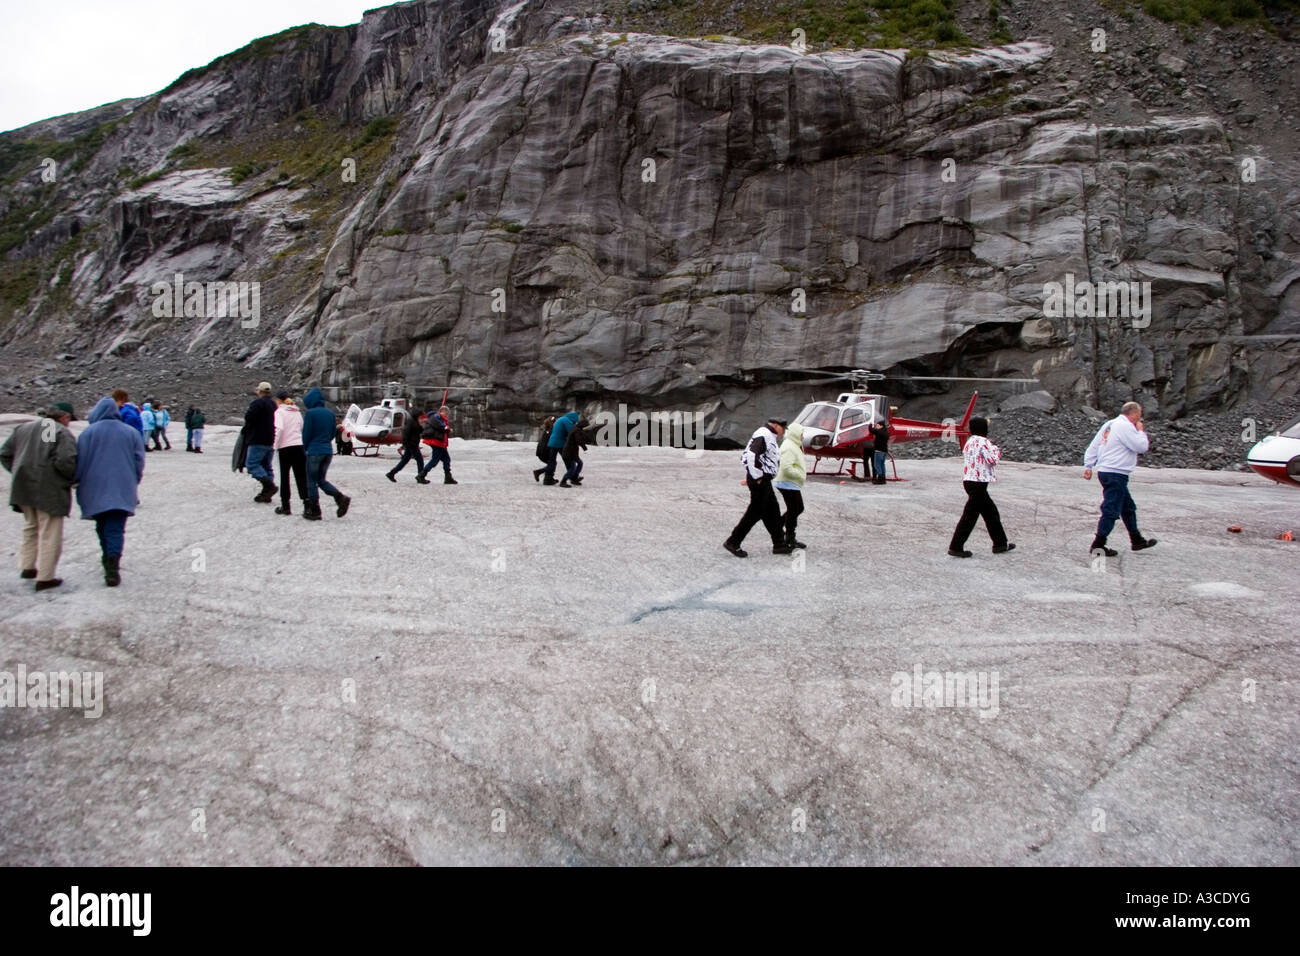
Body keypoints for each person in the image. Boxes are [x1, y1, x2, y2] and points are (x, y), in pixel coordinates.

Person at [1, 402, 78, 591]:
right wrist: (69, 478)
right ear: (64, 417)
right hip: (47, 489)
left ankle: (27, 567)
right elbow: (64, 460)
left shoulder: (24, 428)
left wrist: (18, 471)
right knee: (49, 531)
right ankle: (45, 577)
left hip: (23, 486)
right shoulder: (54, 430)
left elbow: (5, 454)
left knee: (30, 526)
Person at [74, 396, 146, 586]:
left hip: (93, 487)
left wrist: (76, 481)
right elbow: (139, 460)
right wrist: (134, 480)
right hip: (122, 486)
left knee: (102, 526)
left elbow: (79, 462)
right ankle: (112, 564)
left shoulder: (87, 433)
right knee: (116, 528)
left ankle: (107, 556)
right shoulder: (130, 432)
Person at [1083, 401, 1157, 556]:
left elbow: (1095, 444)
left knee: (1127, 507)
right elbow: (1141, 446)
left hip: (1108, 471)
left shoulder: (1110, 424)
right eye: (1140, 413)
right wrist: (1140, 431)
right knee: (1111, 509)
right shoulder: (1126, 426)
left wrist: (1088, 465)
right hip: (1115, 472)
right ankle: (1098, 545)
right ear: (1134, 413)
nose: (1140, 417)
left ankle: (1136, 540)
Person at [724, 418, 793, 557]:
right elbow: (750, 455)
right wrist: (756, 476)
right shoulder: (764, 434)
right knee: (755, 512)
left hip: (763, 479)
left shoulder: (768, 435)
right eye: (783, 428)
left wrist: (754, 475)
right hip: (760, 480)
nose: (784, 431)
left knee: (772, 510)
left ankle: (779, 544)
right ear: (775, 425)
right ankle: (733, 541)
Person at [948, 417, 1014, 557]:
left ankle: (1000, 543)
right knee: (970, 516)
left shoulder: (969, 442)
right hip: (979, 483)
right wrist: (996, 449)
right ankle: (956, 547)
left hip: (969, 481)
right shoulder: (984, 442)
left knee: (990, 512)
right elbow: (992, 460)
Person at [301, 388, 351, 520]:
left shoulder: (310, 414)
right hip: (327, 451)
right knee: (321, 480)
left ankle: (315, 510)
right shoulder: (330, 413)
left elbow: (306, 434)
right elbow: (332, 433)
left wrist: (305, 448)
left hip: (314, 451)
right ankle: (340, 498)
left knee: (311, 481)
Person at [272, 391, 308, 515]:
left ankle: (285, 506)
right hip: (298, 446)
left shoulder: (279, 412)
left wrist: (274, 446)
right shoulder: (296, 412)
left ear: (279, 400)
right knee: (301, 476)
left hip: (285, 447)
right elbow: (301, 427)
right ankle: (307, 505)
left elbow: (279, 429)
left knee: (285, 477)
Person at [243, 382, 278, 503]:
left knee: (252, 464)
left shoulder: (257, 403)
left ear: (260, 391)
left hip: (258, 439)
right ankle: (267, 492)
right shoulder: (274, 404)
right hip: (271, 439)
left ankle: (268, 486)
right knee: (266, 466)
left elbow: (249, 418)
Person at [774, 422, 807, 550]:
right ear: (795, 434)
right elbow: (786, 467)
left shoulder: (793, 444)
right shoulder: (789, 446)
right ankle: (788, 537)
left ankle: (783, 532)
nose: (803, 436)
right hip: (787, 482)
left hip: (789, 482)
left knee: (796, 508)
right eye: (801, 434)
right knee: (796, 508)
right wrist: (800, 475)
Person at [417, 405, 457, 484]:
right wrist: (447, 429)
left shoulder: (438, 418)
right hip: (437, 442)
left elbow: (441, 427)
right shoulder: (436, 417)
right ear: (443, 411)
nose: (447, 414)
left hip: (440, 442)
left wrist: (446, 429)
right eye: (447, 412)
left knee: (446, 459)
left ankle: (448, 477)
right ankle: (421, 475)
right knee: (435, 460)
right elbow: (440, 427)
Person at [388, 408, 426, 482]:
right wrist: (405, 443)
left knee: (404, 461)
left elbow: (418, 431)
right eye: (419, 415)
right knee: (420, 460)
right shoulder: (412, 421)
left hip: (411, 444)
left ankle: (391, 473)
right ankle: (420, 476)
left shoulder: (413, 421)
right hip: (412, 444)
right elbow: (406, 433)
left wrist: (422, 426)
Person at [540, 411, 578, 486]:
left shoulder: (560, 419)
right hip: (560, 444)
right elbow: (572, 431)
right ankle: (569, 478)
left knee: (552, 461)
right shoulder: (566, 421)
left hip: (552, 443)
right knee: (569, 461)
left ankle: (547, 479)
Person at [559, 416, 590, 488]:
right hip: (569, 453)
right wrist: (584, 448)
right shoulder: (576, 430)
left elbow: (582, 437)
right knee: (572, 468)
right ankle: (563, 481)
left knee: (580, 463)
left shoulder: (576, 429)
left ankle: (574, 478)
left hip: (571, 452)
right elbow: (578, 440)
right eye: (585, 426)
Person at [533, 415, 556, 482]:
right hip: (544, 451)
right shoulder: (550, 431)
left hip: (542, 451)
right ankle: (538, 472)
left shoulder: (547, 429)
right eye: (555, 422)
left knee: (552, 463)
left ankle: (548, 478)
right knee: (552, 464)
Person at [869, 418, 890, 485]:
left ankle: (880, 479)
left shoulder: (879, 431)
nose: (876, 427)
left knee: (876, 465)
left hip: (879, 451)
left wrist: (870, 424)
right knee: (882, 465)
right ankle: (883, 478)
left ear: (881, 426)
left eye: (877, 425)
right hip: (884, 451)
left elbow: (871, 430)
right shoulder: (886, 432)